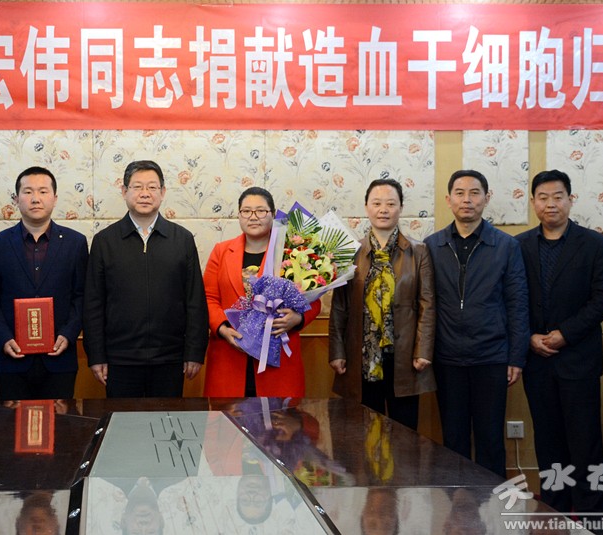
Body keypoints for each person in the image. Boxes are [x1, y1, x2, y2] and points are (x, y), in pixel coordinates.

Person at [516, 170, 603, 513]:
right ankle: (554, 514)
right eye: (543, 198)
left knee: (586, 445)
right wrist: (529, 336)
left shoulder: (595, 244)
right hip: (537, 361)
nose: (551, 204)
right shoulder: (519, 246)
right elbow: (514, 300)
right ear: (533, 203)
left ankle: (593, 518)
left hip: (579, 360)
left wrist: (564, 335)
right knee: (548, 444)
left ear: (570, 200)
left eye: (558, 197)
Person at [423, 169, 528, 477]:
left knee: (490, 438)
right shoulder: (432, 245)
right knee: (453, 438)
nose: (466, 200)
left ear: (486, 198)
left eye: (474, 193)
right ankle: (458, 502)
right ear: (448, 199)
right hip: (447, 357)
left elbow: (517, 303)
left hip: (491, 356)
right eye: (459, 193)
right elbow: (425, 304)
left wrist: (516, 356)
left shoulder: (506, 246)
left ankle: (492, 501)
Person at [83, 159, 209, 398]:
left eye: (152, 187)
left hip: (170, 358)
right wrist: (96, 355)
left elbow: (195, 300)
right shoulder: (104, 241)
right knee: (122, 421)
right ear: (124, 191)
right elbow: (93, 304)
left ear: (162, 192)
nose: (145, 193)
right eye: (137, 187)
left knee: (167, 421)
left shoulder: (182, 239)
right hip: (120, 359)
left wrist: (194, 351)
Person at [328, 178, 436, 430]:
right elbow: (340, 307)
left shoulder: (418, 251)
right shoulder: (350, 252)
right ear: (366, 207)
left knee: (404, 430)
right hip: (361, 356)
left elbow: (427, 304)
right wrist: (337, 351)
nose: (383, 209)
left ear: (401, 208)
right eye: (377, 203)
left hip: (404, 357)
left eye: (390, 203)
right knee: (363, 429)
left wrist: (423, 350)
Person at [0, 166, 88, 401]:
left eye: (43, 191)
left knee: (60, 422)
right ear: (16, 199)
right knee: (11, 423)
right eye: (28, 192)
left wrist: (69, 334)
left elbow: (82, 295)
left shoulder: (75, 243)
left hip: (59, 358)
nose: (36, 198)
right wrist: (3, 338)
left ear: (55, 198)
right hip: (12, 358)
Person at [203, 187, 320, 398]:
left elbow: (314, 296)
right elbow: (208, 298)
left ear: (273, 215)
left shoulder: (292, 253)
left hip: (277, 362)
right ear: (239, 215)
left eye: (261, 211)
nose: (253, 216)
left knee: (278, 418)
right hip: (230, 356)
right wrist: (222, 328)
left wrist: (298, 319)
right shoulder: (221, 251)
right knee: (227, 418)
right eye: (246, 211)